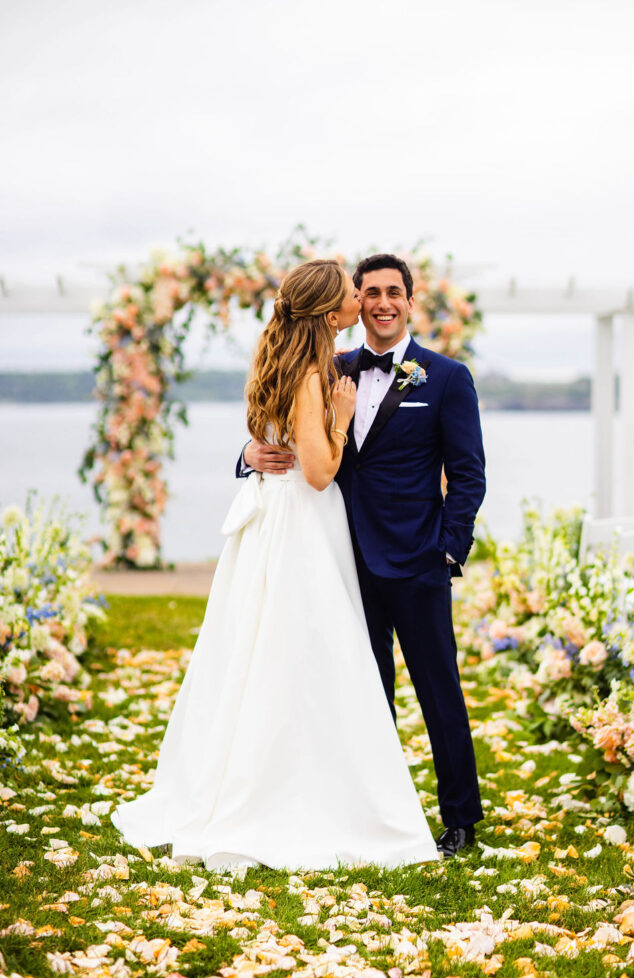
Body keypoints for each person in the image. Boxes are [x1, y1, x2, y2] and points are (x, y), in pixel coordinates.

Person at [111, 259, 438, 871]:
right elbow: (317, 473)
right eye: (350, 292)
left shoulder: (283, 361)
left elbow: (275, 442)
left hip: (273, 521)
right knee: (306, 651)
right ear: (329, 310)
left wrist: (257, 449)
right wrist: (338, 421)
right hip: (301, 525)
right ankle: (292, 793)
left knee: (262, 648)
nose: (359, 300)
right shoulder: (316, 374)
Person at [242, 254, 486, 857]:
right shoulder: (329, 363)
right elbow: (287, 428)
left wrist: (448, 552)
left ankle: (460, 817)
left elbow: (469, 475)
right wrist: (249, 452)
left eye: (392, 293)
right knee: (360, 694)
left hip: (418, 562)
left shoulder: (446, 378)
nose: (380, 302)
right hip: (342, 561)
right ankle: (375, 812)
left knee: (439, 692)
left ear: (410, 299)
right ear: (354, 301)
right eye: (369, 291)